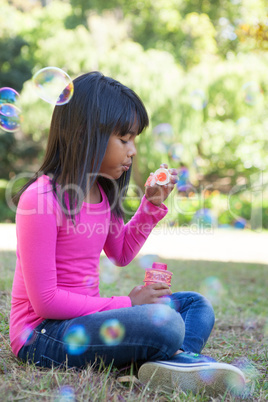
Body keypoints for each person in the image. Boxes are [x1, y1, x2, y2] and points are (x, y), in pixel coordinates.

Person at [10, 71, 245, 397]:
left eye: (134, 139)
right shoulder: (41, 199)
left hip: (85, 319)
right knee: (166, 323)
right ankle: (174, 356)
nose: (133, 151)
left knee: (195, 305)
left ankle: (170, 361)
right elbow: (46, 302)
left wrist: (150, 205)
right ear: (86, 134)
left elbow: (120, 252)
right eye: (125, 139)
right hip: (42, 334)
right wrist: (127, 303)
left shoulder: (101, 194)